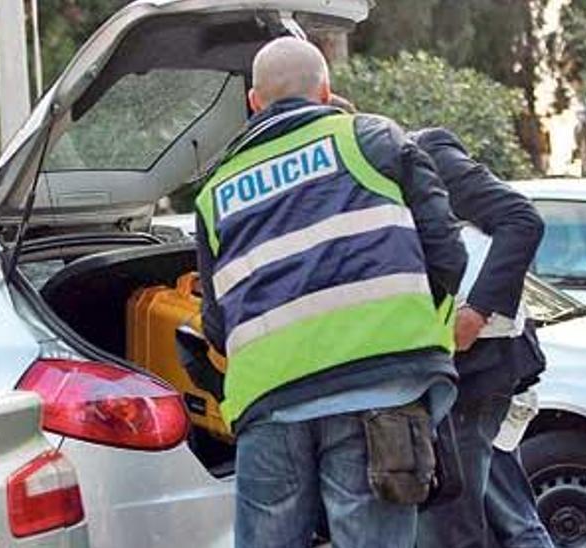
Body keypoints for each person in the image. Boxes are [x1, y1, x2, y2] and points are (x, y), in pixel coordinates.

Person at [193, 37, 466, 547]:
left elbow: (216, 324)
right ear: (326, 92)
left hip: (269, 401)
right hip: (380, 391)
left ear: (254, 102)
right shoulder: (373, 141)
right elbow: (449, 255)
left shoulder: (215, 192)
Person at [410, 128, 552, 548]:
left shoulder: (425, 153)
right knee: (504, 515)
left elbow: (522, 220)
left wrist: (477, 312)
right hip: (446, 373)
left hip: (477, 366)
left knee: (466, 519)